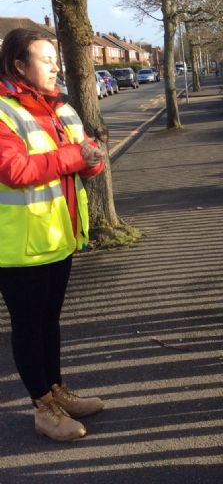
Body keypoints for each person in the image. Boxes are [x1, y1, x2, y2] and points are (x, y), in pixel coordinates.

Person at [0, 29, 106, 442]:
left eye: (55, 59)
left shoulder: (61, 108)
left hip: (58, 237)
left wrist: (91, 161)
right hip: (19, 246)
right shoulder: (4, 111)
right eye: (46, 60)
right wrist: (76, 156)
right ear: (19, 65)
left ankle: (57, 390)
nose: (56, 67)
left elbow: (81, 156)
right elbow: (14, 171)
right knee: (28, 326)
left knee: (50, 322)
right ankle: (42, 406)